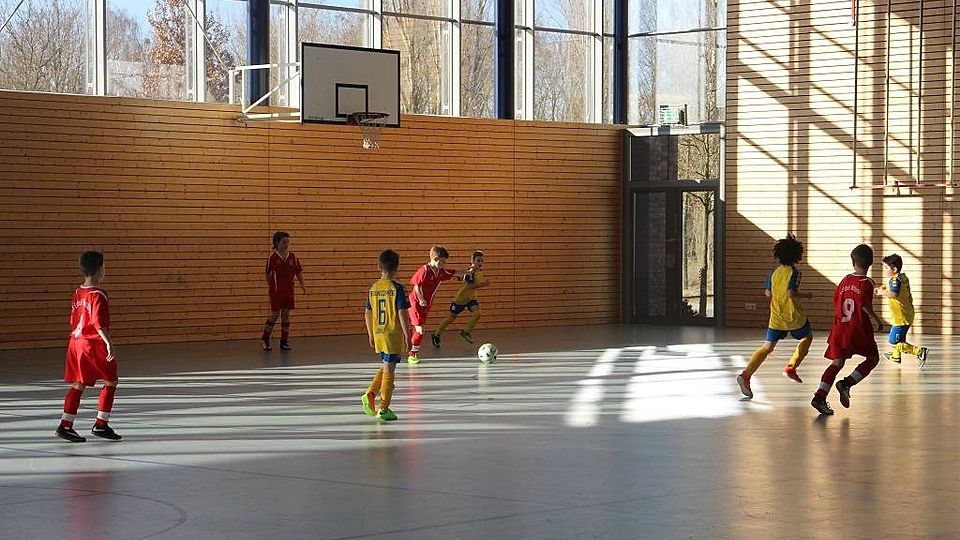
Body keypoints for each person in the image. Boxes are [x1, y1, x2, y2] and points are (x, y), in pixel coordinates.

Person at [736, 234, 813, 399]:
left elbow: (767, 293)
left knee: (767, 348)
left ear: (778, 255)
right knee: (807, 337)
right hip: (793, 316)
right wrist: (806, 295)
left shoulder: (773, 273)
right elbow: (791, 293)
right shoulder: (795, 273)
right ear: (797, 255)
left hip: (776, 317)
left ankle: (746, 374)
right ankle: (792, 367)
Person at [56, 251, 121, 442]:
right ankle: (101, 424)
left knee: (79, 383)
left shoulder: (78, 292)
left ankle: (65, 424)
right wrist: (108, 343)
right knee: (111, 381)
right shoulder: (98, 294)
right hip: (92, 344)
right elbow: (97, 322)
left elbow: (73, 319)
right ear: (100, 269)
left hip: (75, 342)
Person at [810, 244, 884, 415]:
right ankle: (846, 383)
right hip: (858, 329)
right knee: (873, 359)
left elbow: (836, 300)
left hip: (840, 329)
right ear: (871, 263)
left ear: (853, 262)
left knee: (837, 363)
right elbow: (863, 304)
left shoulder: (844, 280)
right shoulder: (867, 283)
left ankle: (819, 397)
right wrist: (876, 319)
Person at [362, 249, 411, 421]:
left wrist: (370, 333)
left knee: (386, 365)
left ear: (379, 266)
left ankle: (370, 393)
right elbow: (402, 312)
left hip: (378, 333)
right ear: (397, 267)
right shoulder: (397, 288)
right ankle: (384, 407)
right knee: (390, 371)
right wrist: (408, 335)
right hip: (392, 334)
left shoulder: (373, 288)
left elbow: (367, 312)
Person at [406, 245, 462, 364]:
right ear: (436, 259)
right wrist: (421, 298)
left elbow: (454, 272)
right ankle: (412, 354)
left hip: (426, 304)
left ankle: (408, 344)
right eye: (443, 261)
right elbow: (416, 286)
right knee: (420, 330)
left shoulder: (440, 271)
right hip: (416, 303)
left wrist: (469, 271)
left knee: (417, 329)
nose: (445, 264)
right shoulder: (424, 270)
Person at [876, 254, 928, 368]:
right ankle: (896, 356)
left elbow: (894, 294)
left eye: (886, 267)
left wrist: (881, 292)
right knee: (900, 341)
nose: (884, 270)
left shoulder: (895, 280)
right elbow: (891, 286)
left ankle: (920, 351)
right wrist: (882, 287)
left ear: (894, 269)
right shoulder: (902, 277)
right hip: (907, 314)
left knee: (893, 342)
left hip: (901, 317)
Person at [260, 231, 306, 351]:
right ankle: (265, 339)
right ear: (277, 243)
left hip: (289, 291)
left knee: (286, 316)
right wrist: (270, 286)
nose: (286, 245)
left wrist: (302, 284)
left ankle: (284, 341)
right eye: (284, 242)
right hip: (276, 292)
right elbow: (267, 273)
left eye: (287, 242)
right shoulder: (272, 258)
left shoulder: (293, 257)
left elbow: (298, 271)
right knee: (275, 314)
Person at [432, 251, 490, 345]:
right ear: (472, 261)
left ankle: (465, 332)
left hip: (470, 298)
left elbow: (463, 278)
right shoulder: (471, 272)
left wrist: (461, 278)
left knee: (478, 313)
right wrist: (484, 284)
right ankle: (436, 334)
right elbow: (470, 286)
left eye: (482, 261)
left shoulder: (478, 272)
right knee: (451, 317)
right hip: (461, 299)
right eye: (478, 260)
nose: (480, 263)